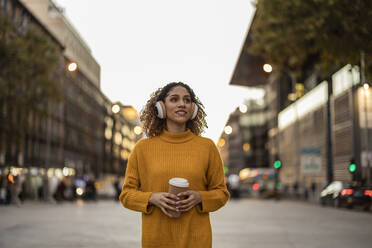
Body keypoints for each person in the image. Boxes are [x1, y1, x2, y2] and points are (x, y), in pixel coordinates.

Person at [119, 82, 230, 248]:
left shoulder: (207, 147)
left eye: (187, 100)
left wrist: (199, 197)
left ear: (193, 108)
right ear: (161, 107)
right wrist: (152, 198)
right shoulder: (142, 148)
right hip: (156, 241)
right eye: (174, 99)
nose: (181, 104)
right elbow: (126, 195)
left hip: (197, 241)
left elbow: (222, 193)